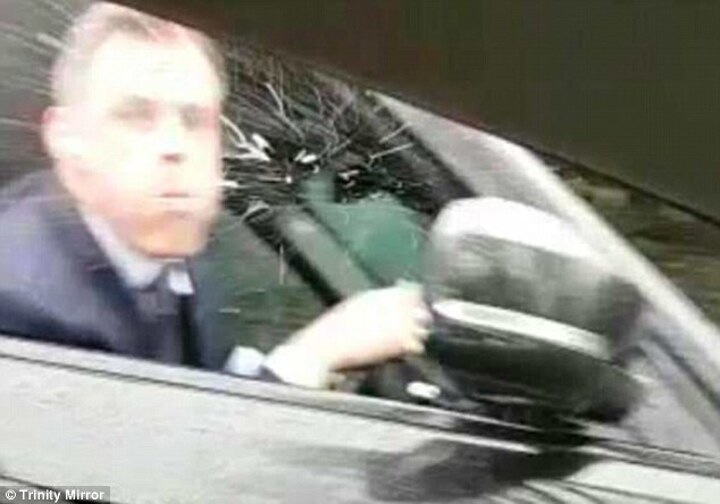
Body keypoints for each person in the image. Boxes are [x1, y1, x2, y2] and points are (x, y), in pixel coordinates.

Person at [0, 2, 428, 388]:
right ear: (66, 138)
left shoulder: (171, 244)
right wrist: (311, 356)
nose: (175, 146)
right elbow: (142, 450)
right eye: (136, 116)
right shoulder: (23, 310)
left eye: (194, 120)